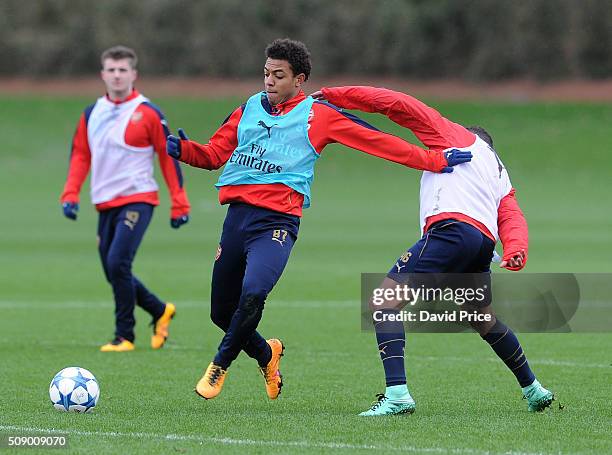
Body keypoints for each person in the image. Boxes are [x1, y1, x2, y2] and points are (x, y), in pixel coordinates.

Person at [166, 38, 471, 401]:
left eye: (278, 75)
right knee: (221, 313)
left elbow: (379, 142)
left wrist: (434, 160)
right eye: (266, 74)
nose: (269, 82)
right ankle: (267, 354)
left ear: (300, 80)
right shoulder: (248, 108)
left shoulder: (319, 116)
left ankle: (219, 366)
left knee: (253, 295)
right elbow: (215, 154)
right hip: (236, 222)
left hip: (276, 225)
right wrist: (184, 151)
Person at [314, 86, 554, 415]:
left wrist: (337, 95)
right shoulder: (498, 170)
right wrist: (516, 249)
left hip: (451, 232)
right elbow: (511, 214)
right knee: (483, 319)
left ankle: (397, 395)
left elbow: (398, 105)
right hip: (481, 246)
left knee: (383, 302)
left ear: (468, 135)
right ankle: (534, 388)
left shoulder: (453, 135)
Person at [60, 45, 190, 352]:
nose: (117, 75)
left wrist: (179, 202)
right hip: (104, 202)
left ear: (133, 74)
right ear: (103, 74)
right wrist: (70, 193)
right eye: (111, 70)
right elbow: (81, 154)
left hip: (138, 199)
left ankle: (124, 336)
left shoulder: (147, 113)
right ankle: (159, 310)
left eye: (123, 70)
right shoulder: (92, 113)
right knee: (113, 270)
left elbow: (167, 157)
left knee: (118, 262)